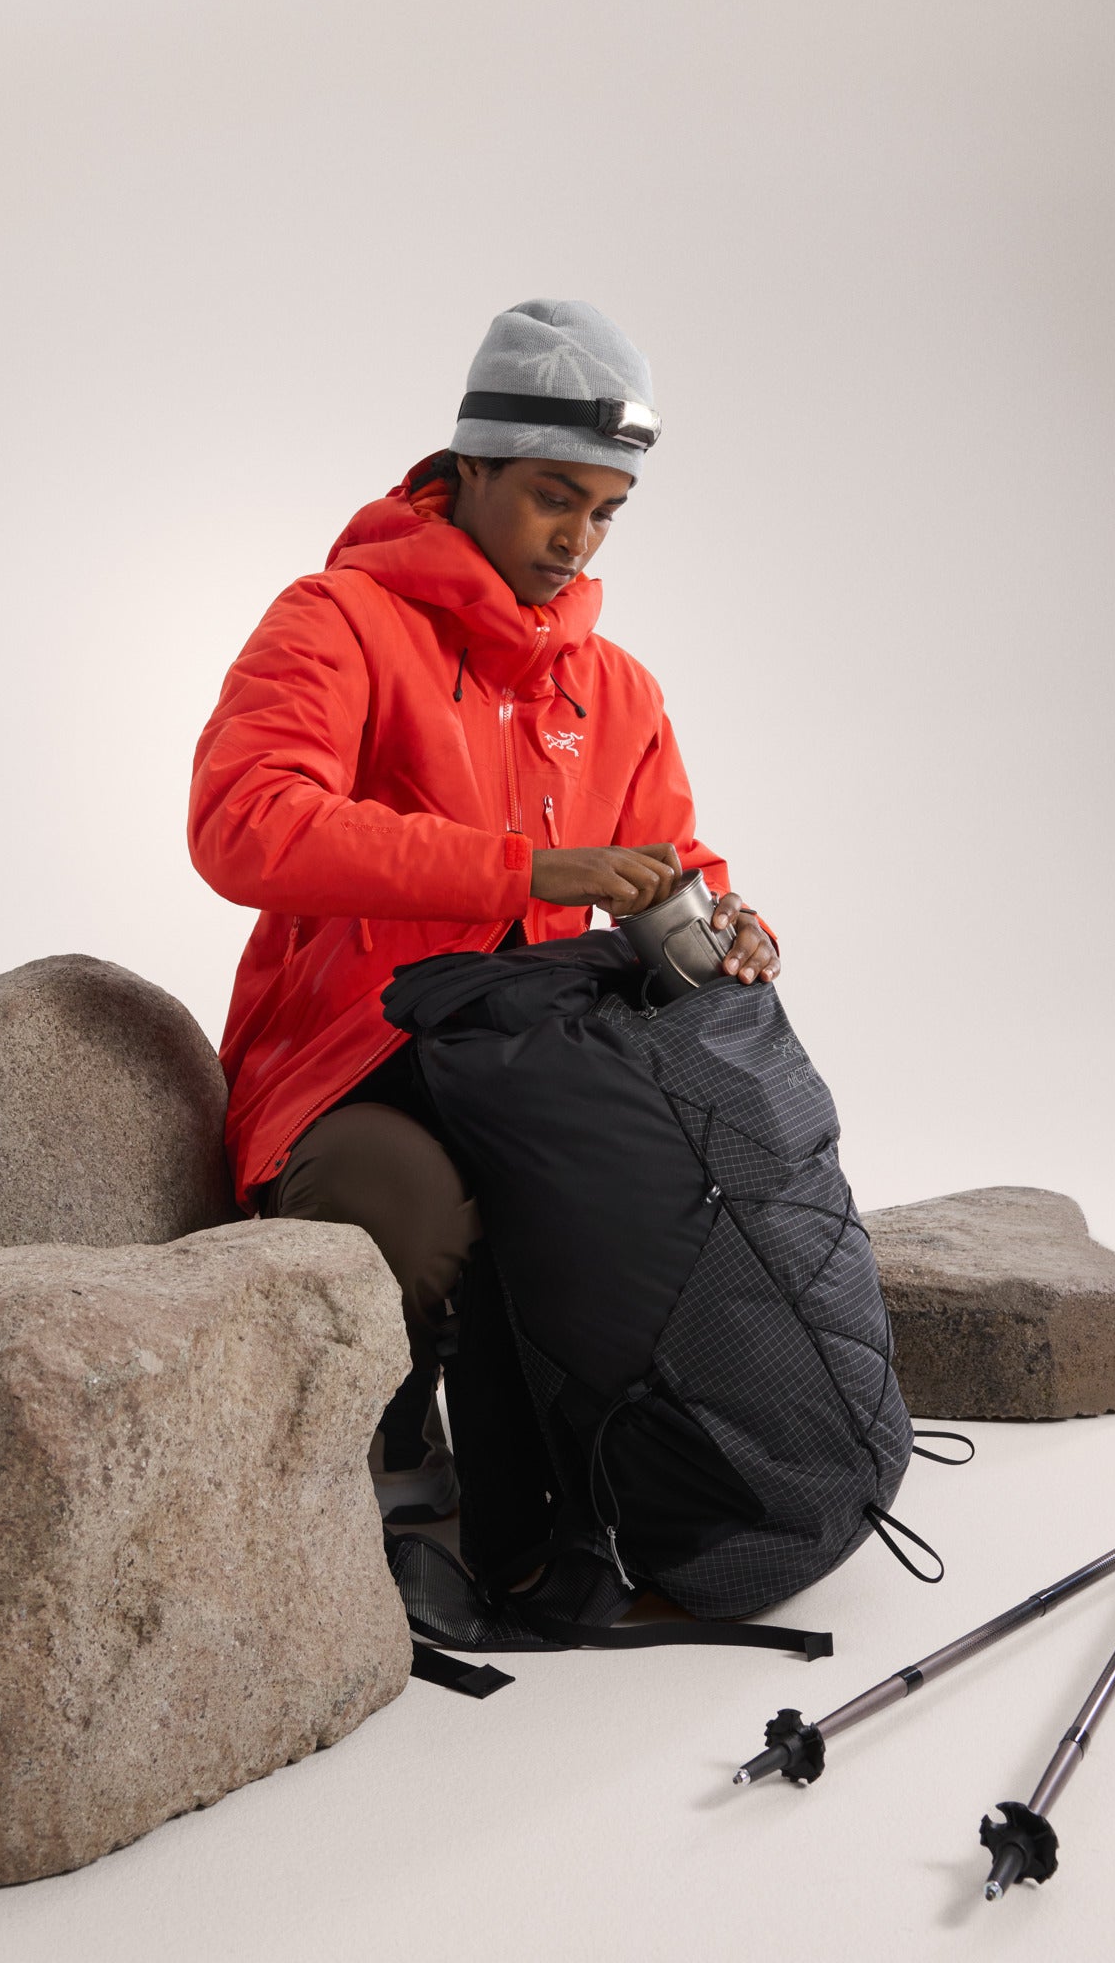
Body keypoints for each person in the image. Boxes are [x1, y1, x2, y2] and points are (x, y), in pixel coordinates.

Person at [188, 298, 779, 1520]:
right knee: (403, 1217)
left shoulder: (616, 687)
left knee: (678, 1191)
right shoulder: (336, 619)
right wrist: (526, 870)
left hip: (534, 1064)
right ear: (471, 465)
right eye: (554, 496)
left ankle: (583, 1475)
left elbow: (673, 857)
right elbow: (244, 820)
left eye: (606, 511)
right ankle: (384, 1463)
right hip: (352, 1058)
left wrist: (724, 918)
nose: (578, 539)